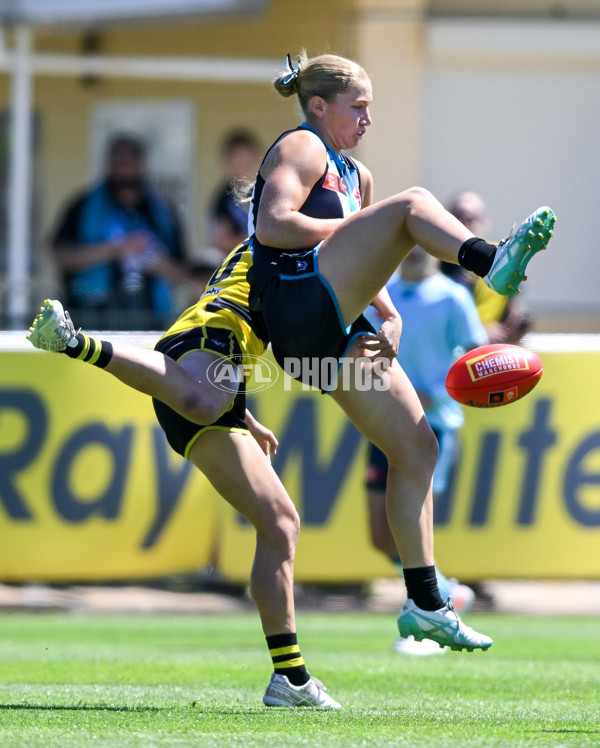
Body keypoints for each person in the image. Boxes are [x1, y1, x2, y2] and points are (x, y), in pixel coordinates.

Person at [245, 51, 555, 651]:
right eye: (356, 107)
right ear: (318, 106)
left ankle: (426, 603)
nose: (367, 119)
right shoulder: (303, 147)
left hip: (332, 328)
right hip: (294, 302)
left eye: (370, 108)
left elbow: (369, 260)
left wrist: (386, 314)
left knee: (417, 447)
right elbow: (273, 225)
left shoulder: (354, 174)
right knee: (412, 203)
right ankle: (492, 261)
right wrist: (365, 229)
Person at [26, 251, 341, 707]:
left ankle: (290, 679)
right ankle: (75, 343)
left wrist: (245, 416)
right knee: (206, 409)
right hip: (209, 349)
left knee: (280, 524)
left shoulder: (278, 241)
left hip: (205, 359)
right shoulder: (291, 242)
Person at [363, 246, 488, 654]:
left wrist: (438, 391)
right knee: (381, 535)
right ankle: (445, 591)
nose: (415, 250)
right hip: (384, 418)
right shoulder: (385, 293)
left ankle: (428, 618)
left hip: (431, 422)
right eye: (407, 242)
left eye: (423, 243)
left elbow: (475, 352)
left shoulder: (453, 295)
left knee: (416, 521)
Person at [51, 133, 189, 331]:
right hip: (92, 319)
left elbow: (184, 271)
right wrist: (114, 249)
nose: (125, 167)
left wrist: (157, 263)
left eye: (131, 159)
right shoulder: (82, 206)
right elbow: (60, 256)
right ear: (108, 164)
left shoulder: (163, 213)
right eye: (119, 160)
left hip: (149, 321)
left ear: (142, 164)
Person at [443, 190, 533, 345]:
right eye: (459, 216)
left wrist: (518, 322)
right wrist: (478, 332)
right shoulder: (435, 261)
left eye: (471, 217)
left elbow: (516, 305)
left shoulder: (500, 258)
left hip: (490, 355)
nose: (465, 221)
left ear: (484, 222)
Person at [208, 129, 262, 258]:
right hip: (234, 266)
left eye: (248, 157)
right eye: (239, 158)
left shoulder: (258, 193)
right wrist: (256, 238)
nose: (245, 164)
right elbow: (221, 241)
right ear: (228, 161)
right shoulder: (223, 198)